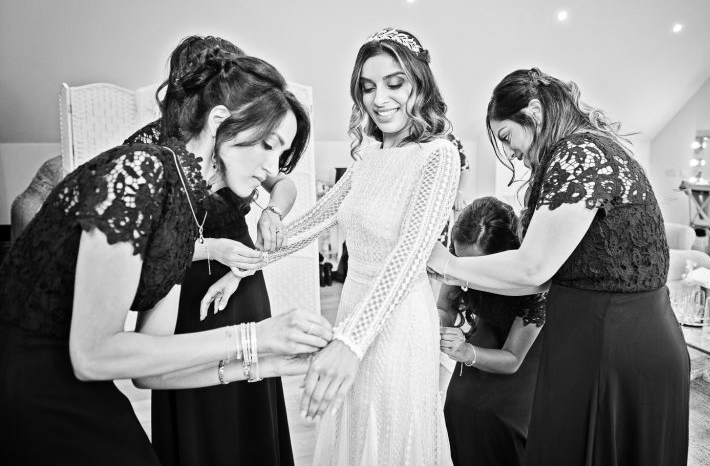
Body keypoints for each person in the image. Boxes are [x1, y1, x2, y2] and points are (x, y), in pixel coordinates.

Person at [0, 47, 334, 465]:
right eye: (268, 144)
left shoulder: (186, 208)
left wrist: (263, 363)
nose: (273, 164)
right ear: (218, 123)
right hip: (25, 384)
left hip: (72, 381)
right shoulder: (141, 172)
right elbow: (93, 355)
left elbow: (150, 372)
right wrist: (254, 336)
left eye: (280, 152)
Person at [203, 27, 460, 465]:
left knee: (391, 430)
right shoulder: (368, 159)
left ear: (419, 83)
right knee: (353, 425)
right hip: (353, 306)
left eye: (394, 83)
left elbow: (409, 257)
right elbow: (311, 224)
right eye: (368, 87)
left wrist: (351, 344)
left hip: (398, 320)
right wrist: (240, 268)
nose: (379, 99)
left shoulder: (438, 155)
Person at [428, 68, 689, 466]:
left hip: (616, 345)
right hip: (603, 339)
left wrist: (446, 264)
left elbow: (533, 270)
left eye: (507, 136)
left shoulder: (579, 155)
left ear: (534, 111)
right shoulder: (587, 151)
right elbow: (537, 279)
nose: (510, 151)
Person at [124, 36, 299, 466]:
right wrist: (210, 249)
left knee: (251, 388)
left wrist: (271, 215)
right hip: (181, 281)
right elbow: (147, 249)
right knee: (193, 394)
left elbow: (283, 184)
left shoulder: (243, 144)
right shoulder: (156, 155)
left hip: (239, 275)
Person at [438, 197, 545, 466]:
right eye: (461, 261)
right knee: (457, 406)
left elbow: (511, 360)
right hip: (487, 329)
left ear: (503, 258)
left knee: (503, 420)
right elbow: (445, 306)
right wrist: (436, 327)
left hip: (529, 345)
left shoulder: (535, 277)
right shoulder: (461, 255)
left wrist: (466, 351)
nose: (466, 273)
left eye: (475, 267)